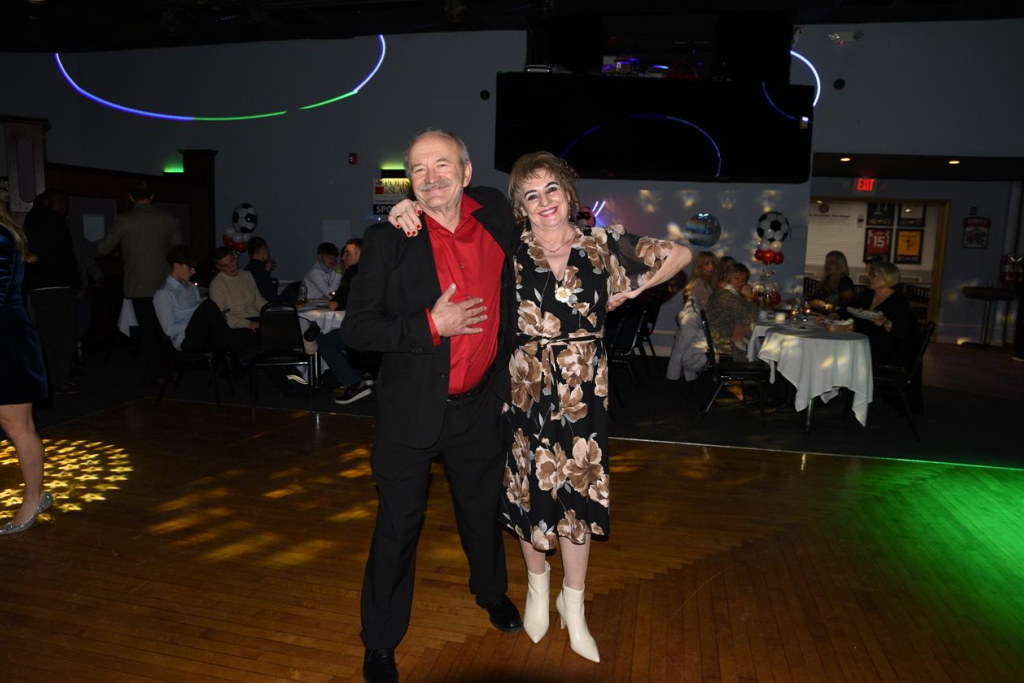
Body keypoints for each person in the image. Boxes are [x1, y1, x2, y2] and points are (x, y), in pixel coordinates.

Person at [341, 129, 523, 683]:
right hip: (411, 411)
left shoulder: (494, 213)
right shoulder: (388, 239)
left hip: (480, 406)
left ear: (466, 173)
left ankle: (491, 593)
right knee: (398, 528)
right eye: (418, 170)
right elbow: (358, 330)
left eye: (442, 165)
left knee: (482, 514)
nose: (430, 178)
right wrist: (430, 324)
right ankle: (380, 640)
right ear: (408, 182)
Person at [498, 151, 690, 662]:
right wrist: (409, 208)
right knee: (530, 490)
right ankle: (537, 588)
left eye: (551, 189)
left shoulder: (602, 244)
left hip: (583, 388)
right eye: (531, 194)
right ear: (520, 205)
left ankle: (573, 603)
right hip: (526, 385)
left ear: (568, 193)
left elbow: (679, 254)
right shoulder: (508, 247)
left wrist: (635, 289)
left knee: (578, 492)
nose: (544, 202)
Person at [0, 201, 52, 536]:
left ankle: (33, 498)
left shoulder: (0, 237)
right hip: (9, 335)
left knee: (17, 425)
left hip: (7, 340)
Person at [97, 181, 183, 380]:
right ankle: (173, 365)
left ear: (130, 197)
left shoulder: (125, 220)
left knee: (148, 330)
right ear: (152, 196)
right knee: (167, 325)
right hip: (164, 282)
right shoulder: (167, 218)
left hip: (138, 284)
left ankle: (156, 372)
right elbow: (179, 248)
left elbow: (103, 249)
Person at [153, 246, 257, 364]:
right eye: (190, 267)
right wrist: (200, 321)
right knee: (208, 306)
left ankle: (239, 361)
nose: (193, 271)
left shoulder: (191, 287)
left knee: (247, 333)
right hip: (185, 339)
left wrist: (212, 319)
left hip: (204, 332)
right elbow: (169, 330)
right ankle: (236, 354)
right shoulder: (164, 293)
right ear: (177, 266)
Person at [853, 261, 914, 365]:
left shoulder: (898, 301)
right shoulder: (867, 294)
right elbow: (850, 308)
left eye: (873, 275)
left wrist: (885, 322)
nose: (868, 277)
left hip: (883, 350)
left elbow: (902, 332)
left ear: (885, 278)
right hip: (862, 343)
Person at [706, 262, 758, 361]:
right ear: (728, 278)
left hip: (732, 337)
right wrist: (749, 298)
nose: (740, 283)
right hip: (726, 343)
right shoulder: (725, 295)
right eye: (737, 279)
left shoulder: (730, 293)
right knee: (767, 343)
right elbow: (752, 317)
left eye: (743, 280)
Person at [208, 247, 266, 331]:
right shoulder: (217, 284)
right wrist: (248, 324)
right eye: (225, 265)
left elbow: (258, 300)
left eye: (232, 261)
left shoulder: (247, 275)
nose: (231, 267)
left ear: (235, 258)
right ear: (219, 267)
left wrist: (271, 311)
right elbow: (222, 315)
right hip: (235, 324)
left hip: (255, 317)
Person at [244, 236, 280, 303]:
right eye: (267, 250)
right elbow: (269, 295)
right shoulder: (261, 272)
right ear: (263, 250)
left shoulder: (246, 270)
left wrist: (267, 271)